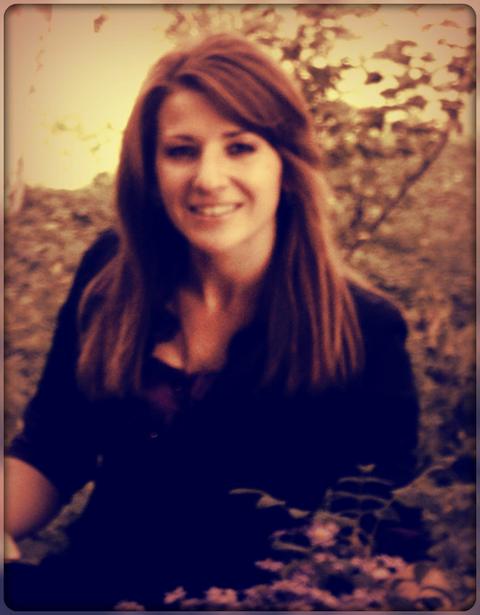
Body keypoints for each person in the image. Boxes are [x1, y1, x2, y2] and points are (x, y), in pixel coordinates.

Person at [4, 33, 420, 610]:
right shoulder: (110, 275)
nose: (208, 177)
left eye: (240, 147)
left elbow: (383, 535)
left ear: (286, 163)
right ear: (150, 169)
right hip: (83, 594)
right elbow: (54, 448)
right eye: (181, 151)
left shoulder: (363, 329)